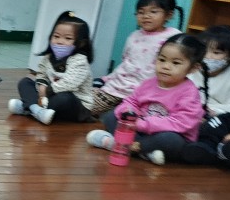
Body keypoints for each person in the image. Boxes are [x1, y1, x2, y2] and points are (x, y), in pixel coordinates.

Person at [86, 33, 206, 165]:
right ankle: (144, 151)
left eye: (175, 63)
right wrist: (128, 115)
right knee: (111, 116)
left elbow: (180, 123)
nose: (166, 66)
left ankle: (118, 144)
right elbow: (131, 101)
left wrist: (143, 124)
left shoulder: (190, 93)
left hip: (168, 135)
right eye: (162, 60)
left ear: (193, 68)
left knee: (170, 140)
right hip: (140, 130)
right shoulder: (149, 83)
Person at [89, 0, 183, 116]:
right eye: (141, 12)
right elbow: (126, 63)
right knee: (83, 106)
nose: (146, 16)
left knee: (125, 119)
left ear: (169, 15)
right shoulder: (134, 36)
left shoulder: (174, 38)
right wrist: (106, 79)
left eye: (153, 12)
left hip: (147, 94)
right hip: (117, 88)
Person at [178, 25, 230, 164]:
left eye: (216, 53)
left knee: (215, 126)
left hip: (217, 120)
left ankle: (205, 148)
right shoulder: (193, 70)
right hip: (190, 115)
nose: (208, 56)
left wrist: (212, 111)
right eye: (205, 50)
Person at [8, 10, 94, 124]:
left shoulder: (80, 61)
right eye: (56, 36)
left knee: (64, 98)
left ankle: (28, 107)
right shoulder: (49, 57)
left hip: (77, 107)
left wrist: (46, 91)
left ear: (81, 43)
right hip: (49, 97)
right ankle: (36, 110)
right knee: (25, 82)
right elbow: (41, 73)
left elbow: (69, 84)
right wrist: (41, 86)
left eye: (68, 38)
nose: (60, 41)